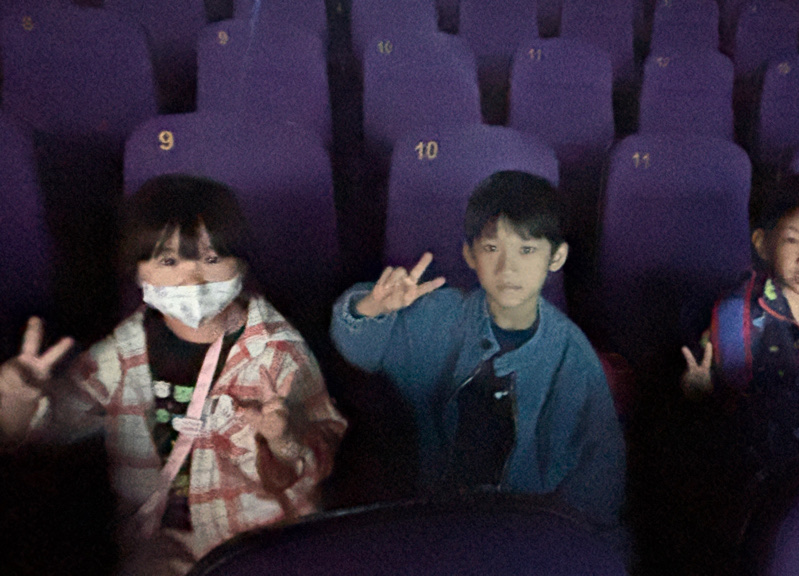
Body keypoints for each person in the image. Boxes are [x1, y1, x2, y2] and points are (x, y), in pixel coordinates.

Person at [0, 175, 348, 575]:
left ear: (241, 265)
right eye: (168, 261)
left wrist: (282, 439)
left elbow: (320, 453)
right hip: (159, 544)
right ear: (138, 272)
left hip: (259, 541)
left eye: (211, 259)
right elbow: (49, 427)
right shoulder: (123, 353)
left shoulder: (277, 351)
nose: (192, 278)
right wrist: (16, 402)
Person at [330, 171, 625, 531]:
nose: (508, 268)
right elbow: (360, 349)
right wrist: (374, 307)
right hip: (433, 513)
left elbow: (599, 476)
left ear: (557, 256)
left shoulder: (572, 356)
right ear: (469, 254)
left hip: (524, 528)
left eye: (527, 250)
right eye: (491, 248)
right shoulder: (439, 316)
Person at [681, 173, 799, 470]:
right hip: (769, 462)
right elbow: (730, 407)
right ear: (763, 244)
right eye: (792, 240)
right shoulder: (738, 315)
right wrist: (701, 392)